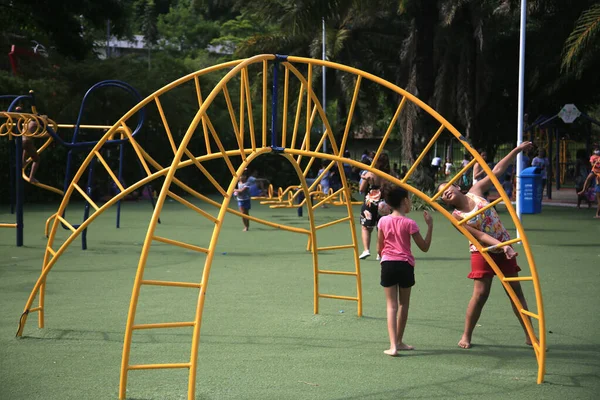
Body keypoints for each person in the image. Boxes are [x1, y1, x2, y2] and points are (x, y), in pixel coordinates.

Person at [437, 141, 535, 349]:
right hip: (483, 252)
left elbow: (496, 171)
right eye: (442, 194)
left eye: (447, 188)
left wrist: (515, 151)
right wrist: (502, 246)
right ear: (445, 202)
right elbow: (479, 236)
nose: (445, 192)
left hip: (504, 245)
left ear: (456, 186)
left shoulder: (476, 190)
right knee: (481, 294)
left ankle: (530, 335)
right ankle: (466, 335)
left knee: (515, 292)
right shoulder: (456, 217)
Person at [377, 186, 433, 356]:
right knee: (403, 304)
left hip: (388, 264)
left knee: (391, 305)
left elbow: (380, 247)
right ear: (405, 201)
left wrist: (383, 257)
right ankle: (398, 341)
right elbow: (424, 247)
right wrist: (430, 226)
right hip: (405, 265)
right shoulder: (410, 223)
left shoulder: (383, 221)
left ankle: (394, 345)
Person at [359, 153, 391, 260]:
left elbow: (361, 189)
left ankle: (366, 249)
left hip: (370, 201)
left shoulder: (370, 173)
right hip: (384, 202)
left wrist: (365, 179)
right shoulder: (388, 173)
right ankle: (380, 252)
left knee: (365, 227)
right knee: (381, 228)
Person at [578, 149, 600, 218]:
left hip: (598, 172)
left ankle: (597, 214)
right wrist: (595, 163)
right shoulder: (592, 157)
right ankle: (584, 190)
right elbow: (592, 164)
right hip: (594, 171)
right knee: (588, 179)